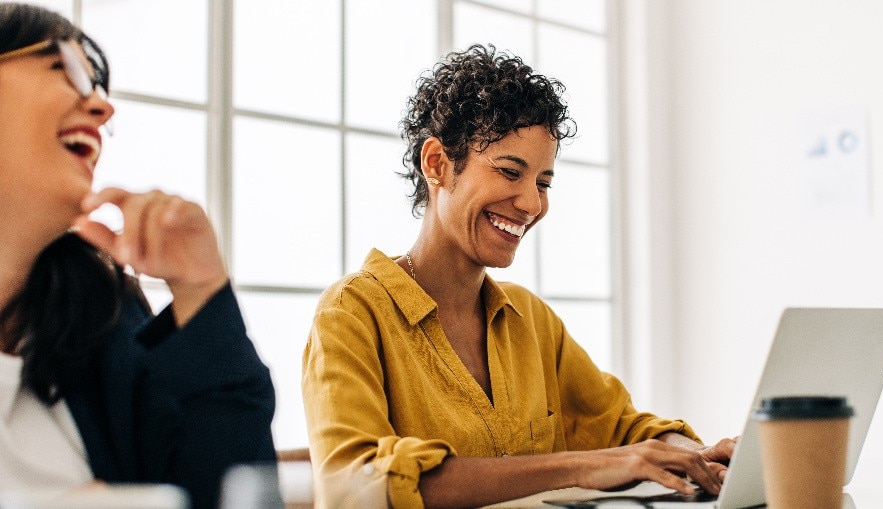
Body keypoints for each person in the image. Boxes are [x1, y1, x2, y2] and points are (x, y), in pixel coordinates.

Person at [302, 43, 736, 509]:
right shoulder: (351, 314)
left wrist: (698, 456)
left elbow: (624, 429)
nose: (532, 204)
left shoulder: (530, 319)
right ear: (437, 164)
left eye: (543, 183)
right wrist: (586, 465)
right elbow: (358, 486)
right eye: (511, 172)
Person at [0, 4, 277, 509]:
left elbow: (233, 493)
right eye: (69, 68)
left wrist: (201, 292)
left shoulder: (104, 321)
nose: (103, 108)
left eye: (100, 88)